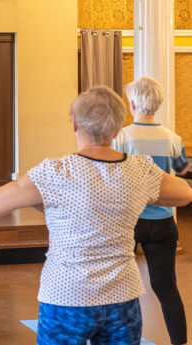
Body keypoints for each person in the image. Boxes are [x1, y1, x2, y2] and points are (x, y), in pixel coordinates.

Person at [0, 86, 192, 345]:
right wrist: (139, 194)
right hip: (122, 297)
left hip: (67, 296)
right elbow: (184, 193)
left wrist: (42, 201)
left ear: (75, 123)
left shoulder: (56, 173)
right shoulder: (140, 170)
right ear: (117, 126)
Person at [112, 76, 189, 345]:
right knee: (167, 289)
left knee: (120, 287)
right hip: (163, 222)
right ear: (157, 104)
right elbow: (181, 171)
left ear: (132, 103)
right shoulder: (172, 138)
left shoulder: (121, 137)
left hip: (129, 221)